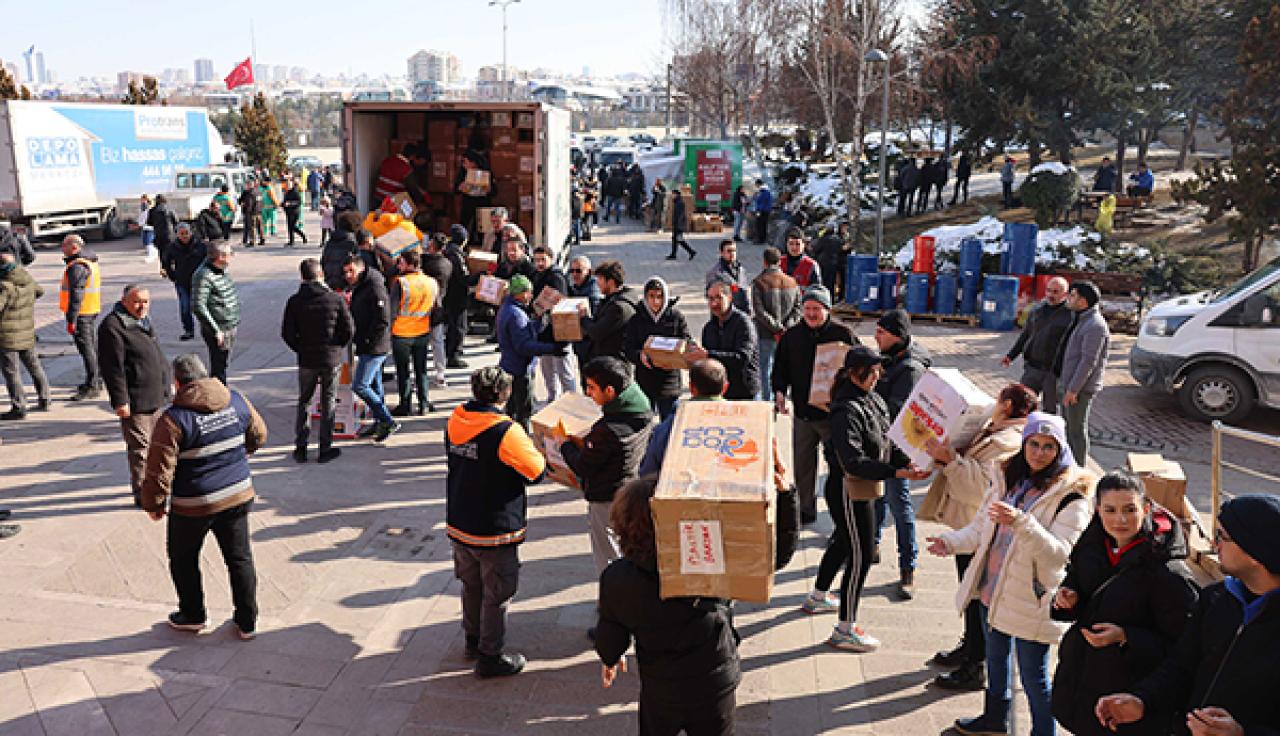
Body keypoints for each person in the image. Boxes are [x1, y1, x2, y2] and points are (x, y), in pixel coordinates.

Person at [926, 412, 1094, 736]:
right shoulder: (1007, 478)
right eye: (1034, 443)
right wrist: (950, 542)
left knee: (1034, 677)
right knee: (996, 661)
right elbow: (981, 530)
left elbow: (1059, 554)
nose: (1040, 452)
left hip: (1032, 599)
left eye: (1049, 447)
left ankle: (1044, 732)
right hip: (995, 590)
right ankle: (994, 721)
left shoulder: (1071, 498)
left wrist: (1022, 523)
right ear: (1024, 443)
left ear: (1061, 451)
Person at [1095, 494, 1280, 736]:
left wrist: (1242, 734)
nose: (1215, 545)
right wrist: (1143, 700)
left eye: (1222, 536)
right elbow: (1182, 666)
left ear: (1256, 551)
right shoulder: (1216, 599)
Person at [1049, 471, 1199, 736]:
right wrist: (1068, 599)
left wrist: (1126, 636)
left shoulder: (1168, 573)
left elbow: (1185, 650)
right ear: (1098, 510)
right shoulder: (1092, 547)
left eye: (1130, 510)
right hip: (1083, 683)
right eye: (1110, 510)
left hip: (1127, 701)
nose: (1120, 520)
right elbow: (1080, 591)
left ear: (1146, 508)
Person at [803, 346, 929, 651]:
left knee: (844, 541)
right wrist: (896, 474)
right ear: (855, 373)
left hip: (864, 484)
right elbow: (853, 462)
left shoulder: (872, 398)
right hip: (849, 488)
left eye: (878, 371)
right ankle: (845, 628)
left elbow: (887, 437)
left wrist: (903, 463)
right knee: (860, 553)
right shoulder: (845, 409)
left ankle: (818, 596)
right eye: (871, 372)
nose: (877, 376)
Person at [918, 383, 1040, 691]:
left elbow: (980, 487)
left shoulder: (1009, 440)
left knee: (978, 595)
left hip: (982, 527)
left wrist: (951, 460)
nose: (994, 403)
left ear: (1009, 406)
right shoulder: (995, 429)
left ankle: (976, 665)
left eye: (999, 398)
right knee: (969, 591)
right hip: (969, 524)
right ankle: (969, 647)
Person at [594, 477, 740, 735]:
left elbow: (611, 632)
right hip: (713, 679)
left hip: (661, 685)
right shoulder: (709, 564)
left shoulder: (617, 578)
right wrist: (786, 491)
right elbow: (775, 555)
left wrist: (610, 657)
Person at [141, 353, 267, 640]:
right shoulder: (236, 400)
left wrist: (155, 504)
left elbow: (159, 470)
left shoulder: (173, 420)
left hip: (193, 505)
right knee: (239, 558)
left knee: (183, 559)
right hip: (237, 494)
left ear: (177, 382)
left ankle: (193, 614)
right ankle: (247, 622)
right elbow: (259, 435)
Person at [445, 366, 547, 678]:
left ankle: (472, 640)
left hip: (460, 519)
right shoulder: (506, 430)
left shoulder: (456, 418)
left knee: (470, 584)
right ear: (503, 394)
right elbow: (536, 470)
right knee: (497, 593)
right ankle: (490, 655)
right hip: (494, 526)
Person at [559, 357, 652, 612]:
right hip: (630, 489)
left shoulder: (609, 430)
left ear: (610, 391)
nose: (588, 394)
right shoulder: (640, 407)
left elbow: (583, 465)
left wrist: (564, 445)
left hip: (605, 497)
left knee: (609, 559)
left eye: (591, 388)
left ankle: (615, 614)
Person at [772, 285, 854, 523]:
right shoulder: (792, 336)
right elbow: (780, 369)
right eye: (807, 308)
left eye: (816, 309)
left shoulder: (843, 335)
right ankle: (805, 509)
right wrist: (779, 391)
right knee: (803, 466)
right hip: (803, 414)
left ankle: (839, 514)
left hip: (832, 416)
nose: (810, 313)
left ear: (827, 309)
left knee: (837, 467)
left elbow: (860, 369)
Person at [872, 308, 931, 598]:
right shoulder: (891, 357)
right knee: (877, 497)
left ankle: (908, 568)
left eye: (881, 332)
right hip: (879, 441)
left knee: (899, 505)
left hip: (896, 448)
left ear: (898, 336)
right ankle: (872, 543)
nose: (876, 336)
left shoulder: (908, 369)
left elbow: (896, 412)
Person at [98, 284, 171, 507]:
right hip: (136, 400)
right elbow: (113, 368)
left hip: (156, 396)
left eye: (146, 302)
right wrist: (120, 401)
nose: (143, 307)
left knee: (159, 446)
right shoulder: (113, 326)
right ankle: (144, 494)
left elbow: (155, 354)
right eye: (138, 302)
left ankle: (160, 487)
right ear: (124, 301)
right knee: (141, 449)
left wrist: (167, 385)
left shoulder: (142, 320)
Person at [282, 259, 354, 464]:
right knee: (328, 402)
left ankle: (301, 448)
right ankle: (325, 448)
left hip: (307, 359)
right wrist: (336, 347)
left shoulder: (294, 301)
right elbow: (348, 330)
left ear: (302, 277)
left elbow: (287, 333)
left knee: (304, 401)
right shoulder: (335, 299)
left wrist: (300, 348)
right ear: (321, 274)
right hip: (331, 359)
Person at [343, 254, 400, 443]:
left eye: (351, 271)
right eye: (346, 272)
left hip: (375, 346)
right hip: (368, 344)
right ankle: (379, 423)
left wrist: (368, 340)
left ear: (360, 268)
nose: (348, 275)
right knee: (375, 385)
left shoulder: (374, 286)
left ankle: (387, 420)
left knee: (360, 385)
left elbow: (383, 319)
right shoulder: (362, 284)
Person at [1053, 281, 1109, 466]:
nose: (1069, 298)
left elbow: (1088, 362)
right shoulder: (1080, 318)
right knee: (1068, 429)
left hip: (1078, 389)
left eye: (1073, 295)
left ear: (1083, 302)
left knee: (1076, 431)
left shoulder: (1095, 326)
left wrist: (1073, 390)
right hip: (1068, 383)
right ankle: (1068, 464)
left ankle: (1078, 468)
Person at [496, 275, 560, 430]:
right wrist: (552, 349)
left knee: (512, 409)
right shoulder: (516, 315)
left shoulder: (509, 309)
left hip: (510, 365)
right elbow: (524, 346)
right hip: (519, 368)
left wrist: (539, 322)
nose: (531, 296)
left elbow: (524, 332)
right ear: (519, 293)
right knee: (524, 410)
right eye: (528, 292)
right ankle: (521, 438)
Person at [624, 276, 690, 421]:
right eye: (651, 296)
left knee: (669, 423)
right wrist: (639, 356)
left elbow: (687, 342)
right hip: (645, 380)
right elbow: (628, 348)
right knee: (644, 423)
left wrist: (676, 356)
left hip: (669, 381)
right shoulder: (636, 319)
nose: (655, 301)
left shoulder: (676, 317)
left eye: (659, 297)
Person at [1003, 276, 1072, 413]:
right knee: (1022, 404)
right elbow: (1026, 335)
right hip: (1032, 368)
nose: (1050, 295)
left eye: (1055, 292)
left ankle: (1045, 433)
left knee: (1049, 410)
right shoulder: (1036, 310)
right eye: (1048, 290)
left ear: (1065, 294)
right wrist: (1011, 356)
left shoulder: (1070, 316)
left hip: (1053, 372)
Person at [685, 279, 760, 401]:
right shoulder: (708, 328)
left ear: (729, 298)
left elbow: (742, 358)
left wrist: (708, 355)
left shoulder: (743, 323)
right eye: (710, 299)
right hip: (718, 395)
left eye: (718, 298)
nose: (714, 303)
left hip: (744, 394)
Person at [0, 252, 50, 420]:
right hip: (27, 333)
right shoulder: (27, 279)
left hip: (7, 337)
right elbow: (40, 291)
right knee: (34, 366)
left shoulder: (4, 286)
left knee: (12, 372)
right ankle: (45, 399)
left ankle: (19, 406)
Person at [388, 250, 438, 417]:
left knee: (403, 372)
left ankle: (405, 405)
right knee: (421, 369)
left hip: (401, 333)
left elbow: (392, 311)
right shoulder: (432, 282)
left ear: (410, 264)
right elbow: (436, 307)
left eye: (401, 262)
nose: (398, 265)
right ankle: (424, 403)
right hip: (422, 332)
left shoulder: (400, 283)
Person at [751, 247, 802, 401]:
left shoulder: (759, 283)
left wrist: (776, 327)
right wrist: (787, 327)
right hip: (789, 334)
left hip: (766, 333)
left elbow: (759, 312)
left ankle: (769, 400)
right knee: (788, 367)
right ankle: (787, 397)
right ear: (780, 262)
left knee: (766, 369)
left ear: (764, 262)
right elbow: (798, 308)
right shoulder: (792, 282)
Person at [531, 246, 578, 400]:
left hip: (559, 333)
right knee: (548, 372)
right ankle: (553, 400)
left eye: (543, 259)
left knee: (565, 373)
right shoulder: (537, 275)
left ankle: (571, 402)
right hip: (544, 333)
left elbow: (557, 302)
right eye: (536, 260)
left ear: (551, 259)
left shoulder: (556, 277)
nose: (539, 263)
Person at [191, 242, 241, 384]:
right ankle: (218, 393)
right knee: (219, 366)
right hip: (219, 328)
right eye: (230, 254)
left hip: (229, 324)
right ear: (221, 256)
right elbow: (198, 306)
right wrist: (215, 330)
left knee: (223, 363)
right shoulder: (204, 275)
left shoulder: (221, 270)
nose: (232, 256)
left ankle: (220, 389)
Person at [60, 234, 103, 400]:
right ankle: (96, 380)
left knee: (87, 349)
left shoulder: (77, 266)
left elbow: (76, 295)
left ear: (74, 247)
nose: (62, 248)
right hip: (90, 310)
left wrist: (72, 319)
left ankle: (93, 385)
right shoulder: (89, 261)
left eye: (65, 245)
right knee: (92, 347)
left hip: (82, 313)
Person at [583, 260, 638, 364]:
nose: (597, 283)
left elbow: (596, 332)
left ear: (611, 282)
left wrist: (584, 317)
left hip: (613, 365)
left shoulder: (618, 308)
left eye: (600, 279)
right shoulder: (615, 299)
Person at [162, 224, 208, 342]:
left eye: (186, 233)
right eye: (181, 234)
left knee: (202, 307)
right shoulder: (172, 247)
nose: (184, 236)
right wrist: (173, 277)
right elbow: (166, 263)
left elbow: (208, 261)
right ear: (177, 235)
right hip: (182, 282)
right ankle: (189, 330)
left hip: (199, 282)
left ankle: (207, 329)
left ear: (190, 233)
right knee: (185, 307)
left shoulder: (200, 245)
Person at [442, 225, 471, 368]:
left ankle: (450, 352)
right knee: (459, 326)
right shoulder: (456, 255)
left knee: (452, 325)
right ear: (464, 240)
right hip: (457, 295)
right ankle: (454, 355)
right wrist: (479, 277)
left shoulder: (447, 251)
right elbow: (463, 278)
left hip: (448, 293)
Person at [705, 239, 750, 314]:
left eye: (734, 251)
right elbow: (711, 296)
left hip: (742, 312)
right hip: (725, 315)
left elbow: (745, 290)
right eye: (729, 251)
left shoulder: (741, 270)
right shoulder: (715, 273)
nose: (732, 253)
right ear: (721, 253)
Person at [457, 150, 494, 238]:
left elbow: (494, 190)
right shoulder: (463, 173)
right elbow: (456, 188)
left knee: (482, 225)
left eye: (465, 162)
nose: (464, 165)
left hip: (482, 201)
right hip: (468, 201)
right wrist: (461, 187)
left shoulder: (486, 173)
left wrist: (489, 189)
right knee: (465, 224)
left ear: (473, 163)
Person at [321, 211, 361, 291]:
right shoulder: (352, 243)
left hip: (329, 283)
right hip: (346, 285)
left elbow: (323, 262)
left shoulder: (330, 241)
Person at [809, 222, 848, 297]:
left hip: (823, 263)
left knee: (823, 283)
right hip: (834, 263)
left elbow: (816, 249)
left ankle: (823, 297)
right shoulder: (838, 239)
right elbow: (841, 250)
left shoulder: (823, 239)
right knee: (831, 283)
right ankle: (831, 299)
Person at [666, 187, 696, 260]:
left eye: (673, 194)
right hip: (678, 225)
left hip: (679, 225)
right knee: (675, 240)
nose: (672, 196)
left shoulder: (679, 203)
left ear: (676, 195)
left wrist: (678, 226)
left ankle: (691, 251)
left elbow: (680, 216)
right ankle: (673, 254)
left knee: (679, 240)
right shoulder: (677, 202)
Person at [238, 177, 264, 247]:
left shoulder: (250, 193)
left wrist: (247, 212)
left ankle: (253, 241)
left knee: (252, 227)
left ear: (250, 185)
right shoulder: (259, 191)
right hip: (259, 211)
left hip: (252, 213)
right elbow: (261, 202)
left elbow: (249, 204)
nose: (247, 186)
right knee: (260, 227)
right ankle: (262, 239)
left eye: (248, 184)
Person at [281, 180, 307, 246]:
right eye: (287, 185)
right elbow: (284, 201)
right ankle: (291, 241)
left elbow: (299, 202)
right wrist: (282, 204)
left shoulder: (295, 192)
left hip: (294, 212)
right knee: (290, 227)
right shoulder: (286, 192)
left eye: (289, 185)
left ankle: (303, 236)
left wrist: (290, 204)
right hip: (288, 212)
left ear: (292, 185)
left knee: (293, 226)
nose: (287, 186)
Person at [751, 179, 774, 244]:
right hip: (766, 210)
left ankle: (759, 240)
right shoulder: (767, 191)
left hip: (761, 210)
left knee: (759, 225)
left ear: (758, 184)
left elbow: (758, 200)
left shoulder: (762, 192)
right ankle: (763, 239)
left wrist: (755, 196)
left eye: (756, 185)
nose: (756, 186)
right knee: (764, 225)